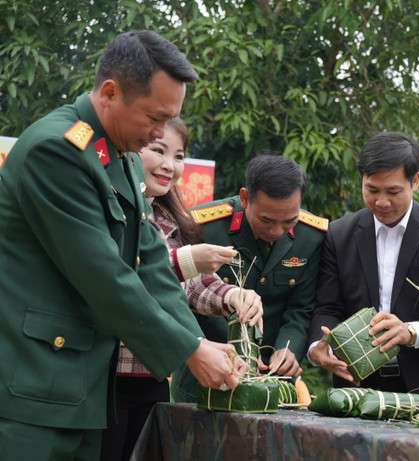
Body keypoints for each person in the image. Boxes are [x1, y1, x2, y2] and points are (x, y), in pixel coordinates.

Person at [0, 30, 245, 459]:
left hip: (81, 389)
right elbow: (105, 275)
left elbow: (149, 261)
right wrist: (189, 351)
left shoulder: (122, 157)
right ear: (110, 93)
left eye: (170, 119)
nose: (160, 132)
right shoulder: (56, 151)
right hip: (33, 389)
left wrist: (199, 342)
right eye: (154, 118)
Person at [101, 118, 264, 460]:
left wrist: (232, 296)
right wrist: (187, 259)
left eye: (178, 156)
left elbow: (189, 285)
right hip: (106, 372)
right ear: (130, 147)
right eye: (158, 150)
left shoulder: (171, 218)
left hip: (154, 371)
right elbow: (126, 274)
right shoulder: (108, 203)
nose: (168, 165)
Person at [307, 131, 419, 394]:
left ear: (415, 181)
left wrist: (412, 332)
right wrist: (318, 344)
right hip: (354, 388)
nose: (381, 202)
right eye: (371, 190)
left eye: (393, 191)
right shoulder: (339, 235)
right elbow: (327, 306)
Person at [171, 154, 326, 402]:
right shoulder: (203, 225)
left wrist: (288, 350)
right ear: (245, 198)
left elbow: (301, 308)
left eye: (288, 221)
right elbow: (179, 297)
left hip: (273, 381)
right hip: (206, 377)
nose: (276, 231)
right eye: (266, 220)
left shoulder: (312, 236)